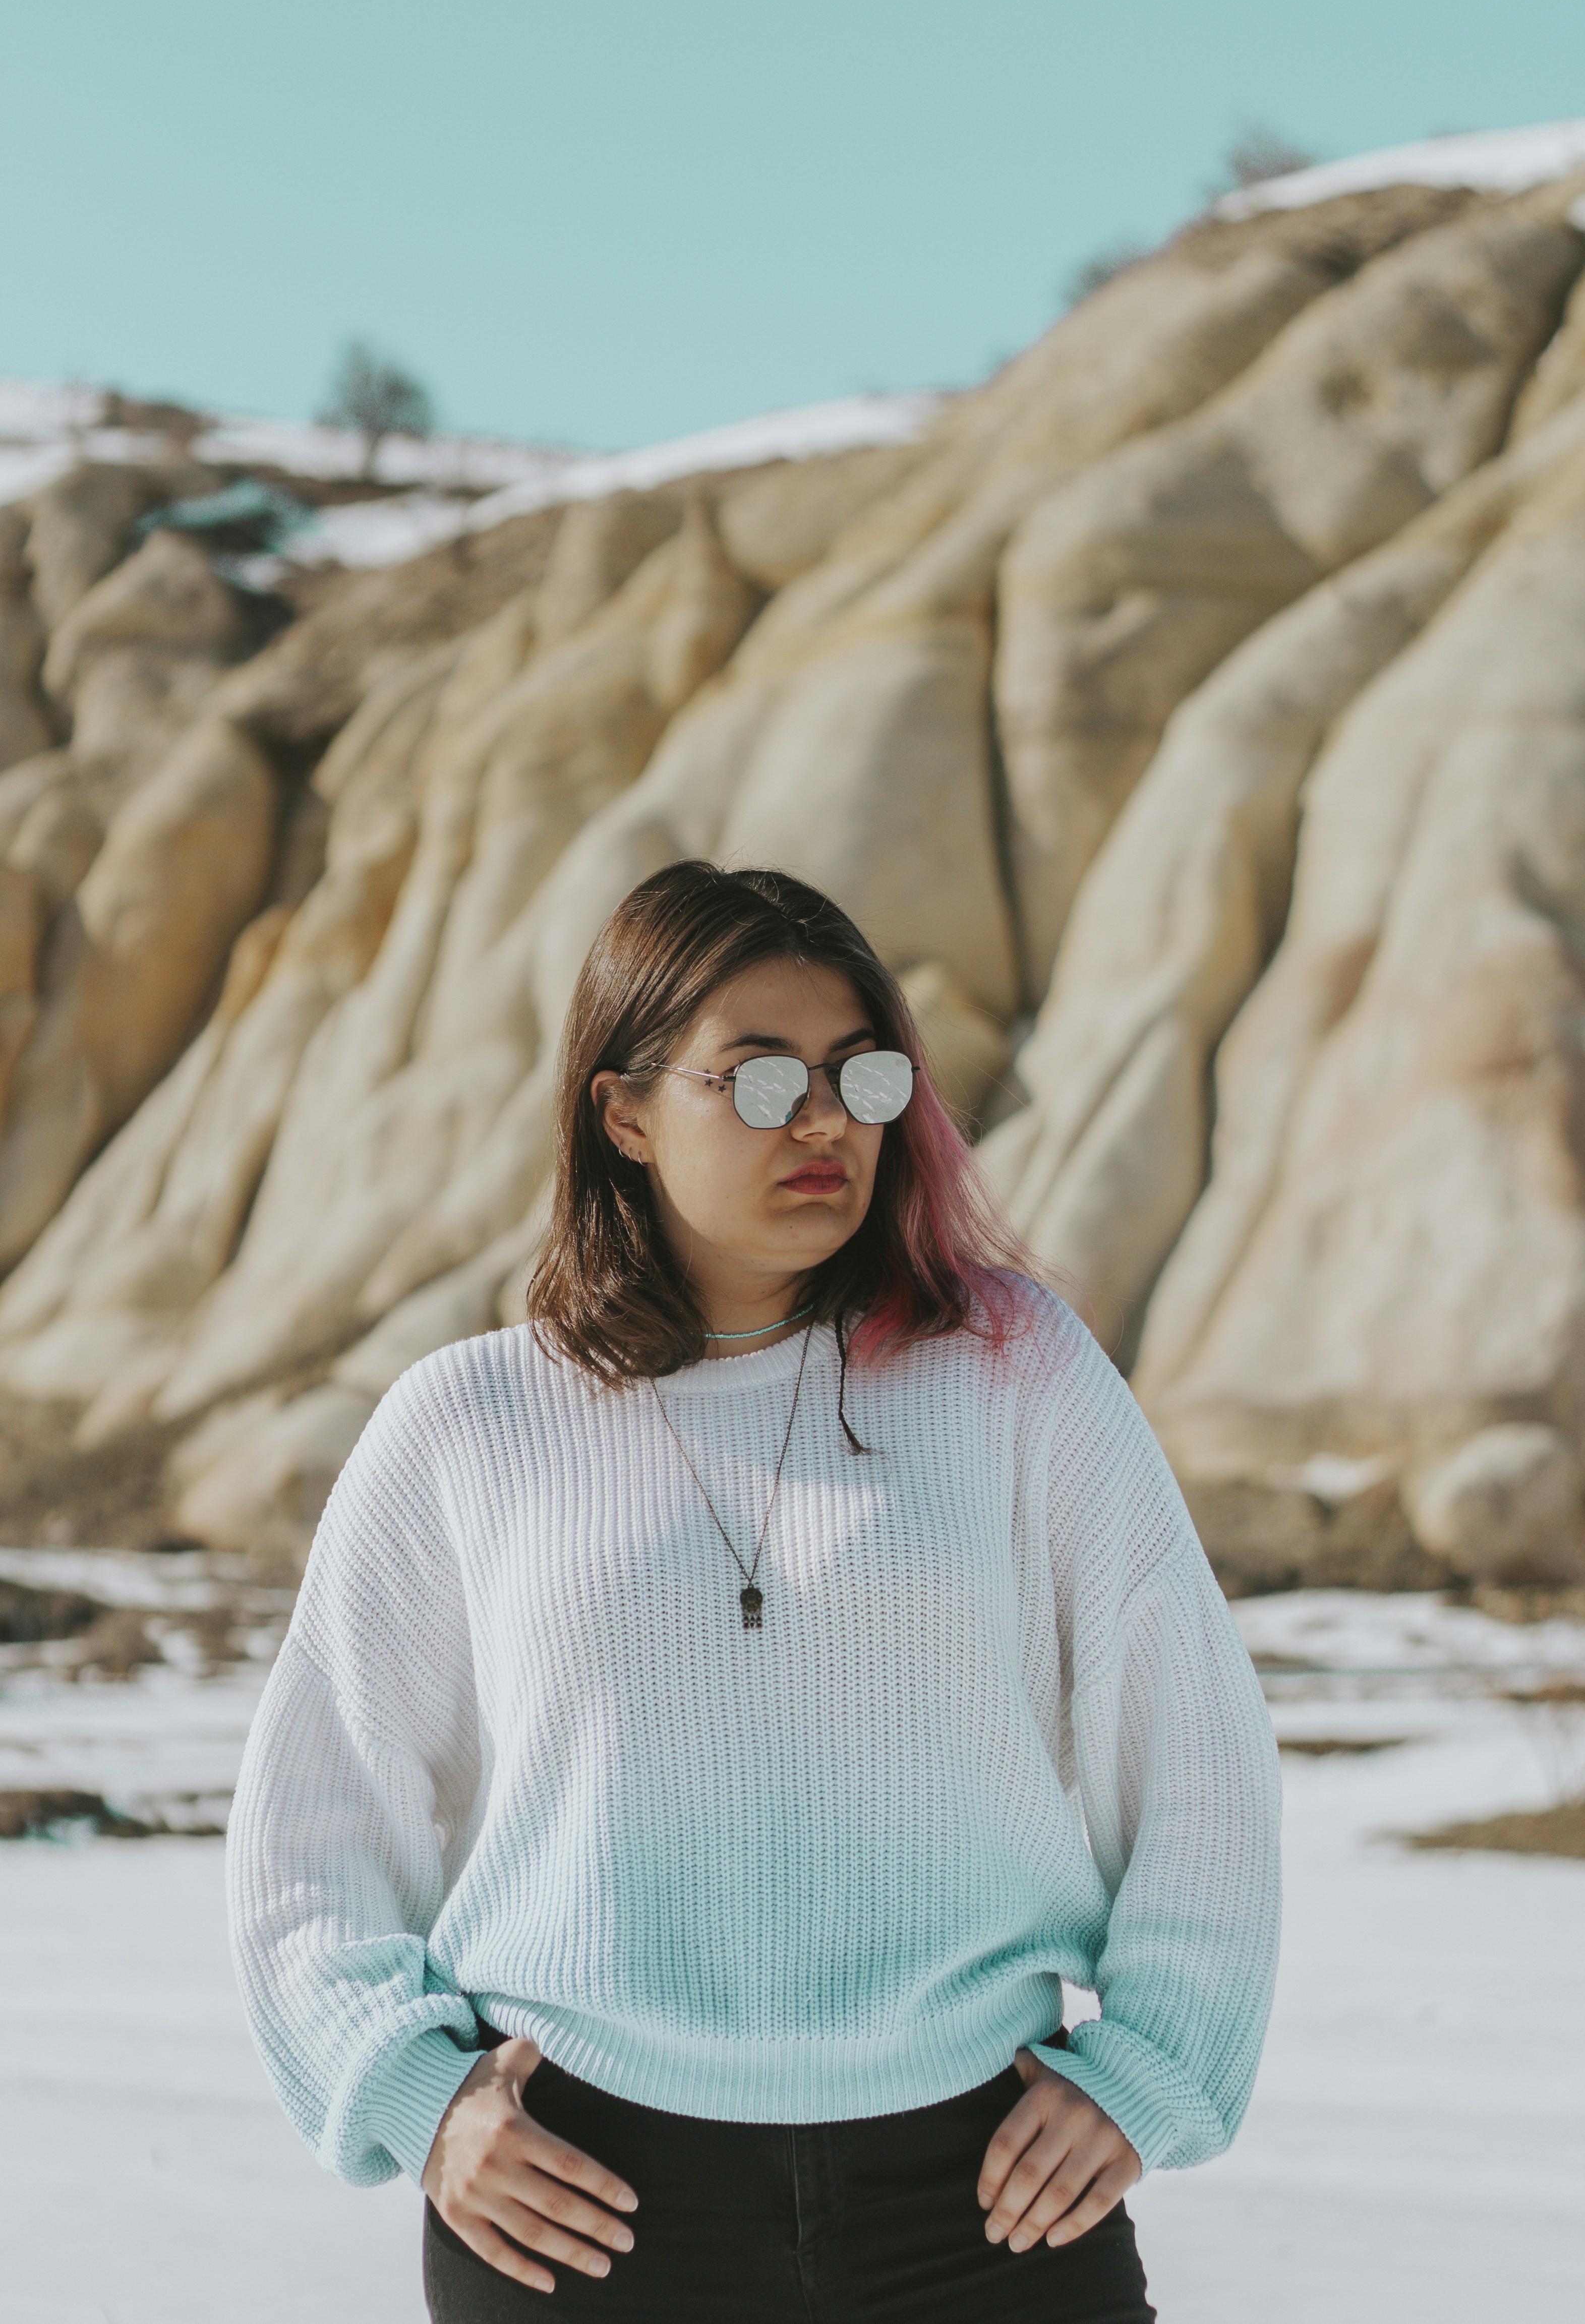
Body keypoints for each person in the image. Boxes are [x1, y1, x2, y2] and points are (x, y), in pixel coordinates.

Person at [228, 861, 1281, 2321]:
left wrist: (1156, 2065)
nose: (830, 1120)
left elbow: (1200, 1749)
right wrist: (417, 2094)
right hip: (579, 2208)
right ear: (627, 1110)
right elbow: (310, 1821)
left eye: (864, 1072)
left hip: (982, 2199)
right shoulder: (466, 1423)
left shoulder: (1016, 1370)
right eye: (763, 1077)